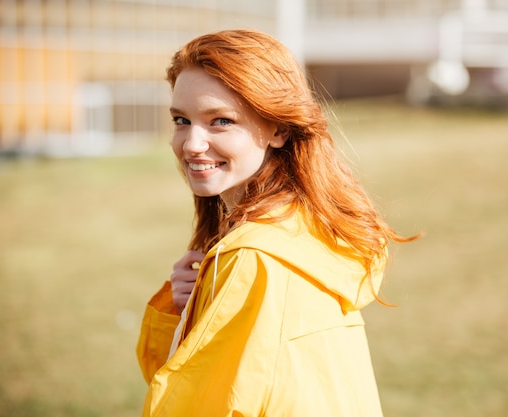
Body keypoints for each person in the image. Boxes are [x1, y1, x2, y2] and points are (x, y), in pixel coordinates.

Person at [136, 29, 418, 417]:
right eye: (181, 120)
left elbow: (199, 405)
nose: (191, 144)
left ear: (279, 129)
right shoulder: (309, 229)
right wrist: (191, 310)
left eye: (220, 121)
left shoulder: (257, 258)